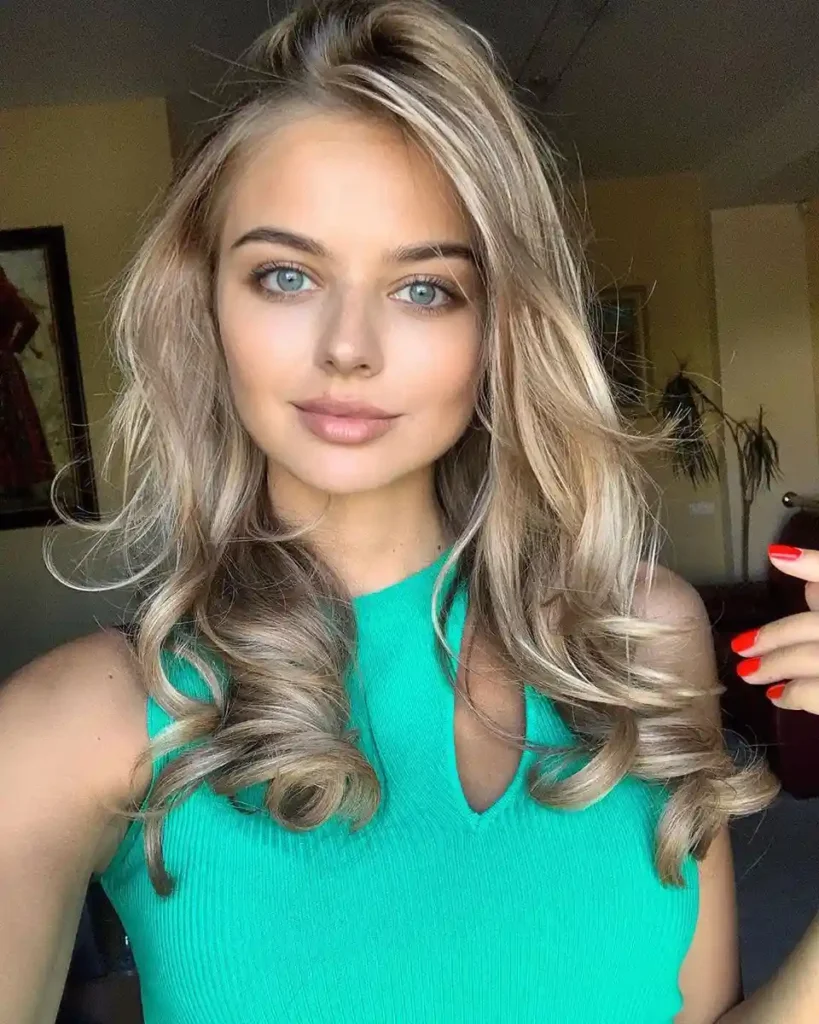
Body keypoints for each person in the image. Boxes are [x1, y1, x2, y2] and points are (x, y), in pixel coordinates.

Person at [2, 1, 819, 1021]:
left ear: (499, 324)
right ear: (204, 304)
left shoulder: (639, 641)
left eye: (424, 288)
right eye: (285, 275)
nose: (348, 346)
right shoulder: (80, 723)